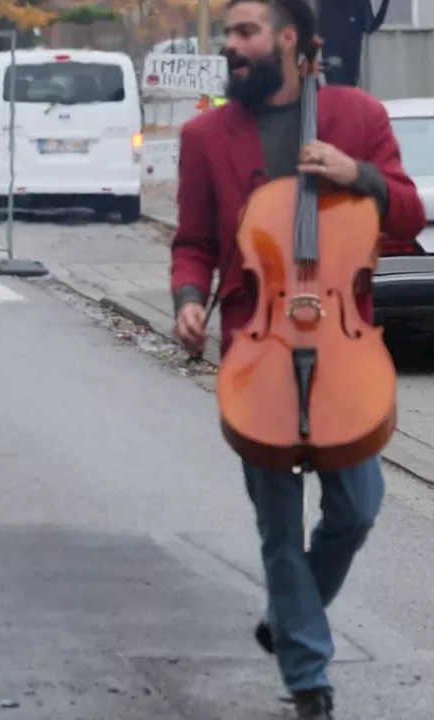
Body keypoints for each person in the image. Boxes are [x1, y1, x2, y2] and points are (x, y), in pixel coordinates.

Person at [170, 0, 425, 717]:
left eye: (245, 33)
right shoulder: (203, 135)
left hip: (344, 346)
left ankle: (289, 616)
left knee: (359, 508)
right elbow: (192, 240)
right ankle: (310, 679)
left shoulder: (359, 118)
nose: (231, 47)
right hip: (258, 349)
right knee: (277, 525)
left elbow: (408, 212)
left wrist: (357, 173)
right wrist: (189, 298)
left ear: (290, 40)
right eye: (227, 35)